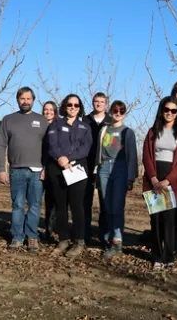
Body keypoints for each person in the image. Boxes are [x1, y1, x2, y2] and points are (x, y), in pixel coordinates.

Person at [0, 87, 49, 252]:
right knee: (18, 205)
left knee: (34, 205)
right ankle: (17, 237)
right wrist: (1, 169)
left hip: (37, 171)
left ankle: (32, 237)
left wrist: (45, 168)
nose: (25, 101)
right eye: (22, 99)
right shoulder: (8, 120)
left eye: (28, 99)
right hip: (16, 170)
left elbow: (49, 147)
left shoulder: (42, 120)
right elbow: (0, 145)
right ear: (17, 100)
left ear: (33, 100)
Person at [143, 97, 177, 269]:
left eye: (173, 110)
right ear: (161, 110)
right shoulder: (152, 131)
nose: (169, 113)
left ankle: (169, 256)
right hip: (154, 180)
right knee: (156, 221)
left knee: (169, 221)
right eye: (166, 110)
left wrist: (167, 180)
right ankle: (156, 255)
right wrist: (154, 178)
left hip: (172, 181)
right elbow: (147, 156)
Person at [47, 94, 93, 258]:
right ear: (64, 106)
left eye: (76, 105)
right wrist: (60, 158)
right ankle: (63, 239)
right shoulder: (55, 124)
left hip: (77, 169)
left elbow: (85, 148)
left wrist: (69, 158)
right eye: (69, 105)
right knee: (60, 206)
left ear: (80, 108)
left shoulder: (85, 127)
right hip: (57, 169)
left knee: (77, 205)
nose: (73, 108)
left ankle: (79, 241)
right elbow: (52, 144)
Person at [93, 100, 138, 259]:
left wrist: (131, 177)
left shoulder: (128, 132)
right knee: (106, 205)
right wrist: (96, 172)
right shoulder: (104, 130)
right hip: (104, 168)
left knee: (117, 206)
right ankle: (107, 238)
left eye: (121, 110)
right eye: (115, 110)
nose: (118, 113)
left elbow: (132, 156)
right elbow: (98, 152)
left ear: (125, 113)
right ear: (110, 111)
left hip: (120, 169)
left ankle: (117, 242)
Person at [83, 92, 113, 245]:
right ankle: (84, 234)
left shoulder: (111, 121)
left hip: (104, 166)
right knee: (85, 202)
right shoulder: (85, 120)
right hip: (86, 165)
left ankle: (104, 237)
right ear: (92, 102)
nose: (99, 104)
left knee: (105, 202)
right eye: (96, 101)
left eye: (102, 101)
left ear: (106, 104)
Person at [42, 101, 59, 240]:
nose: (48, 112)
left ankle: (50, 229)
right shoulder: (37, 125)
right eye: (45, 109)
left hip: (54, 168)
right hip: (38, 167)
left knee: (52, 201)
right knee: (36, 201)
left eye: (51, 109)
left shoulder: (58, 127)